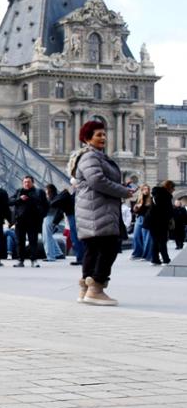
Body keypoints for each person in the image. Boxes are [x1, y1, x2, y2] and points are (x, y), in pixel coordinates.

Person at [69, 120, 134, 305]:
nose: (103, 137)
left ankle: (85, 289)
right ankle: (96, 288)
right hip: (97, 210)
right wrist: (123, 191)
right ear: (87, 138)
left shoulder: (89, 156)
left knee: (93, 249)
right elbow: (97, 180)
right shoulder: (91, 157)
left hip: (93, 209)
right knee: (109, 247)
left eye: (104, 134)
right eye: (98, 135)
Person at [10, 175, 47, 268]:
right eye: (25, 182)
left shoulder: (39, 192)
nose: (26, 184)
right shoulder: (19, 191)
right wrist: (19, 199)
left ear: (33, 183)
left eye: (28, 182)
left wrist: (41, 215)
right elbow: (9, 201)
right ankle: (20, 260)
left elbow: (46, 205)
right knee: (19, 242)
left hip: (33, 221)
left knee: (33, 241)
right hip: (20, 221)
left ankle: (34, 260)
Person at [145, 180, 175, 266]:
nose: (174, 190)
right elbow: (167, 210)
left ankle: (155, 259)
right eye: (173, 188)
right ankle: (165, 260)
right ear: (169, 188)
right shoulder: (165, 195)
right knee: (162, 240)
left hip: (152, 221)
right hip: (160, 221)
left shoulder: (156, 193)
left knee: (155, 240)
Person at [130, 185, 154, 261]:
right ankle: (137, 253)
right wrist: (136, 208)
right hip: (139, 218)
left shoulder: (151, 199)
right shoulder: (139, 199)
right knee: (136, 236)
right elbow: (134, 211)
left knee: (146, 238)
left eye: (147, 189)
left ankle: (147, 256)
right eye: (144, 189)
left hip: (148, 219)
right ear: (142, 190)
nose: (146, 190)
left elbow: (152, 210)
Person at [42, 184, 64, 261]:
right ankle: (58, 253)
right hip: (53, 218)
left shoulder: (50, 200)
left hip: (48, 217)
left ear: (49, 191)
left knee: (46, 237)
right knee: (49, 236)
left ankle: (50, 256)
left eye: (46, 190)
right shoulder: (57, 198)